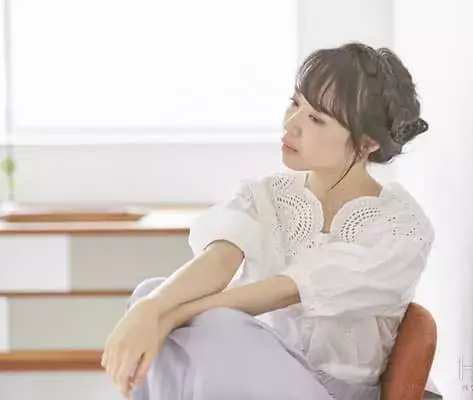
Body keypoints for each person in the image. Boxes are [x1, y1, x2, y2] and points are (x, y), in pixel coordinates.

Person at [101, 42, 442, 399]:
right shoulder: (269, 194)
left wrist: (167, 317)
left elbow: (285, 290)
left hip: (335, 392)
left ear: (367, 143)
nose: (291, 124)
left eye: (316, 119)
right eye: (295, 103)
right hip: (259, 377)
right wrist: (151, 308)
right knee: (150, 292)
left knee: (213, 321)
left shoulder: (400, 225)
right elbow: (219, 259)